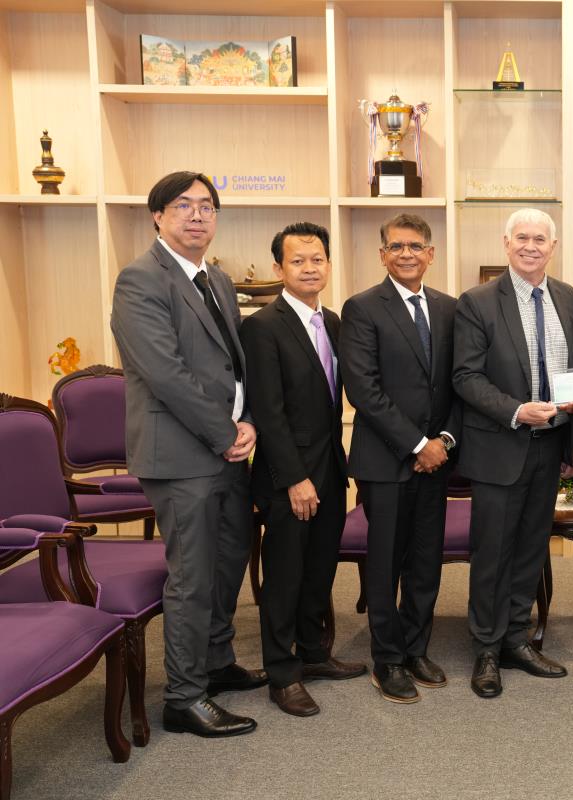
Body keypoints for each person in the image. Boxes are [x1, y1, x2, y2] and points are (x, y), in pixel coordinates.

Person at [110, 171, 266, 738]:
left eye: (206, 206)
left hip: (227, 449)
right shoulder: (140, 279)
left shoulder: (216, 278)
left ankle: (216, 662)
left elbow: (234, 364)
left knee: (228, 564)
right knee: (193, 577)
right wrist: (224, 433)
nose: (197, 215)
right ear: (157, 216)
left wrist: (247, 421)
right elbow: (166, 375)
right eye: (183, 205)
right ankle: (184, 696)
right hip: (180, 455)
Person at [452, 208, 573, 699]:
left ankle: (515, 638)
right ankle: (486, 649)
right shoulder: (478, 302)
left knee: (532, 547)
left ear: (553, 247)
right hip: (500, 445)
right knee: (493, 551)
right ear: (506, 244)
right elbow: (466, 376)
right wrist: (515, 411)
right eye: (522, 238)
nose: (531, 246)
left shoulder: (567, 297)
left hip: (550, 445)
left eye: (540, 239)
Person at [239, 222, 366, 718]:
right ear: (279, 268)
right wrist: (294, 478)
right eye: (297, 261)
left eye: (317, 260)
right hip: (288, 476)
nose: (309, 268)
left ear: (328, 265)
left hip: (331, 467)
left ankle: (314, 653)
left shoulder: (332, 322)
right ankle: (282, 672)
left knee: (319, 568)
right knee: (285, 575)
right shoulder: (263, 326)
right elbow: (268, 412)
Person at [340, 213, 460, 705]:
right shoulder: (362, 308)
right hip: (386, 461)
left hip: (437, 460)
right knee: (386, 563)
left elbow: (459, 383)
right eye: (396, 246)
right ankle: (387, 659)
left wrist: (443, 441)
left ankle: (415, 649)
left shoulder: (450, 308)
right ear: (382, 255)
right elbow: (363, 389)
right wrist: (417, 444)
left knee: (426, 560)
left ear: (431, 254)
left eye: (415, 246)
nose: (406, 254)